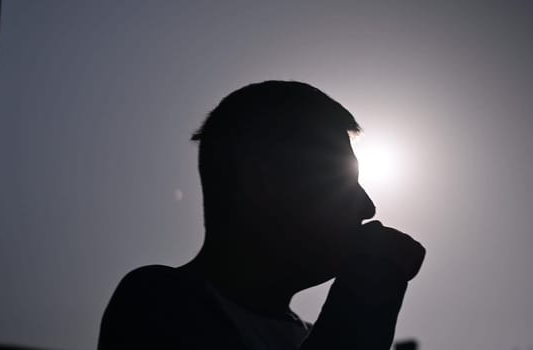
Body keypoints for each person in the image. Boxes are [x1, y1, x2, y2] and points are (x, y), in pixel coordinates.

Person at [98, 81, 425, 349]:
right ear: (261, 182)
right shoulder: (158, 303)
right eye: (341, 182)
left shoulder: (310, 335)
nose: (368, 207)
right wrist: (371, 287)